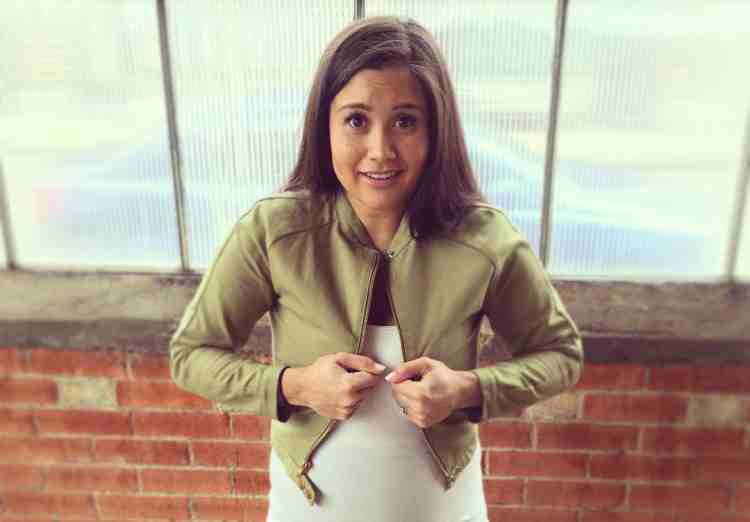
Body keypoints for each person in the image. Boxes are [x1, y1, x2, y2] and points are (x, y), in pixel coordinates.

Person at [169, 15, 583, 522]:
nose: (380, 150)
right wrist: (295, 385)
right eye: (356, 121)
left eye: (405, 121)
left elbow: (560, 354)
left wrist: (466, 390)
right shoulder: (273, 231)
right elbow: (191, 354)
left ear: (436, 131)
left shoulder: (485, 239)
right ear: (325, 126)